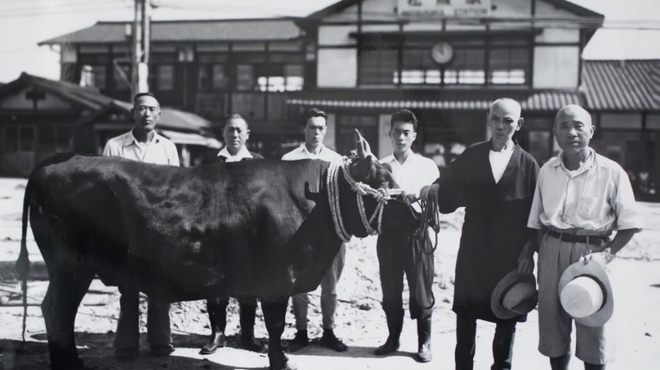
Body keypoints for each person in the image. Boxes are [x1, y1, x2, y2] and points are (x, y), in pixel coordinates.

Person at [521, 104, 643, 370]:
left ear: (591, 130)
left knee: (593, 326)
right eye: (563, 125)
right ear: (555, 132)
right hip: (551, 249)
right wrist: (534, 254)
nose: (571, 132)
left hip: (592, 254)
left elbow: (630, 223)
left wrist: (606, 254)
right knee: (553, 326)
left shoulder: (612, 172)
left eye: (578, 125)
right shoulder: (547, 171)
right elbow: (536, 220)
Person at [423, 98, 539, 370]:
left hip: (510, 254)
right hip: (474, 249)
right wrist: (434, 189)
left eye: (508, 120)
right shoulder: (472, 155)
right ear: (488, 119)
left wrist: (528, 251)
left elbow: (537, 215)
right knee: (466, 318)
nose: (501, 126)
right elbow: (447, 188)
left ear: (518, 124)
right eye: (496, 119)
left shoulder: (529, 165)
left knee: (506, 318)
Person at [103, 92, 179, 360]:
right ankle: (126, 344)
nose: (146, 114)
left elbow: (176, 192)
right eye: (141, 109)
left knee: (160, 285)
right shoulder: (115, 146)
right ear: (133, 113)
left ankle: (160, 341)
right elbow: (105, 191)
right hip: (125, 228)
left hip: (159, 229)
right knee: (128, 287)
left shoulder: (168, 148)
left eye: (152, 109)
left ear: (159, 115)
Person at [281, 108, 348, 352]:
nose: (316, 132)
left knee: (330, 284)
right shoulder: (289, 160)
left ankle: (328, 331)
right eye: (312, 127)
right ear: (303, 129)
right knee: (299, 283)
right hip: (299, 235)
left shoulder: (337, 161)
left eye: (321, 127)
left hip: (330, 234)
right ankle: (301, 333)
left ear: (326, 130)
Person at [375, 109, 439, 363]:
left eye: (406, 132)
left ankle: (424, 342)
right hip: (389, 235)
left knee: (421, 289)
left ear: (414, 135)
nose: (400, 137)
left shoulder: (427, 165)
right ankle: (393, 338)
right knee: (390, 288)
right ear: (389, 134)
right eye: (396, 132)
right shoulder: (380, 166)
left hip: (417, 234)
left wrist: (422, 193)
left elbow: (438, 198)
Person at [199, 113, 264, 355]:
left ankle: (247, 335)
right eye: (230, 130)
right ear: (223, 133)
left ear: (247, 134)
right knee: (216, 285)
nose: (234, 135)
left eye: (239, 130)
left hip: (248, 237)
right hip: (216, 234)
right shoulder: (209, 161)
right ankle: (218, 334)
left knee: (249, 286)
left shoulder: (258, 162)